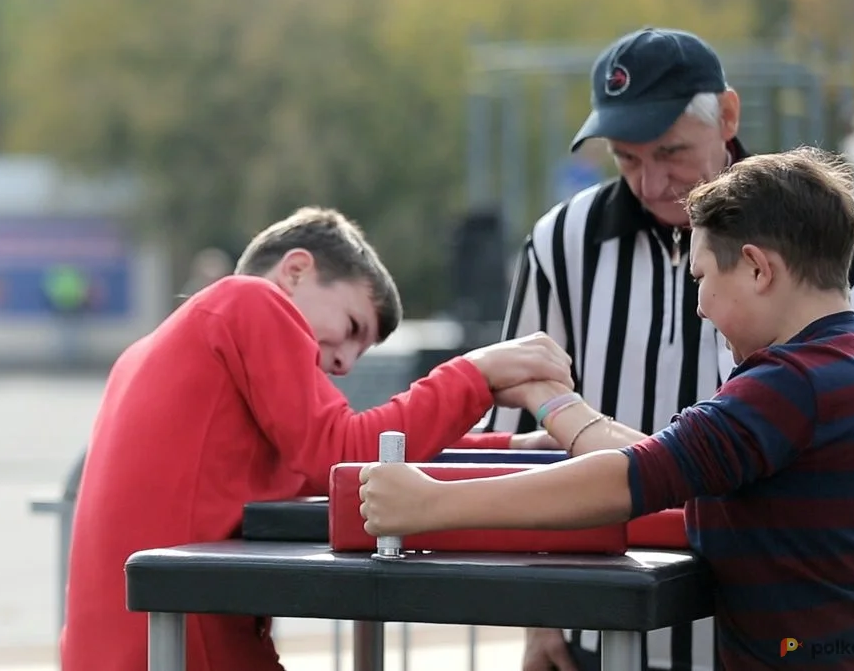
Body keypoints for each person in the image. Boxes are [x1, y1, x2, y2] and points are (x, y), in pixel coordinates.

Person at [360, 147, 854, 669]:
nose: (699, 307)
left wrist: (432, 504)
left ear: (755, 268)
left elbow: (627, 479)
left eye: (700, 279)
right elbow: (667, 461)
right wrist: (554, 404)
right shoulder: (835, 363)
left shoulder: (789, 383)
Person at [480, 26, 854, 671]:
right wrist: (538, 614)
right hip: (604, 611)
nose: (651, 181)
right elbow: (514, 425)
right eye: (627, 157)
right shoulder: (563, 238)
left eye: (670, 151)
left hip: (767, 618)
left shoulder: (837, 230)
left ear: (727, 115)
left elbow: (850, 432)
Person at [59, 206, 574, 671]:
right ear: (296, 269)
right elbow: (343, 453)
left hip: (135, 643)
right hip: (190, 643)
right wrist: (476, 372)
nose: (344, 363)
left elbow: (348, 459)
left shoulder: (154, 349)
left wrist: (506, 450)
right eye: (352, 327)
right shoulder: (250, 299)